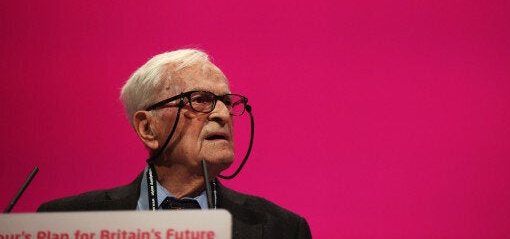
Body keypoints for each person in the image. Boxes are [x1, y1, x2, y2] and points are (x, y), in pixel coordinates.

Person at [38, 49, 312, 239]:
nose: (222, 114)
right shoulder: (64, 221)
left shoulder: (282, 229)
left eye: (227, 102)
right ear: (148, 127)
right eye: (200, 100)